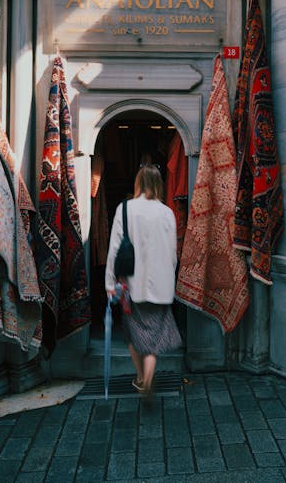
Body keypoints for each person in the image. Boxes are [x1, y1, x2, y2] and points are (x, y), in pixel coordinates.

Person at [105, 163, 182, 400]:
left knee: (132, 334)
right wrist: (171, 278)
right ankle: (147, 378)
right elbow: (172, 253)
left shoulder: (125, 209)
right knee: (154, 336)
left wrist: (109, 283)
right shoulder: (167, 212)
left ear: (138, 182)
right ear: (159, 185)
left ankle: (141, 377)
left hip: (131, 284)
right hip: (161, 284)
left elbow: (114, 248)